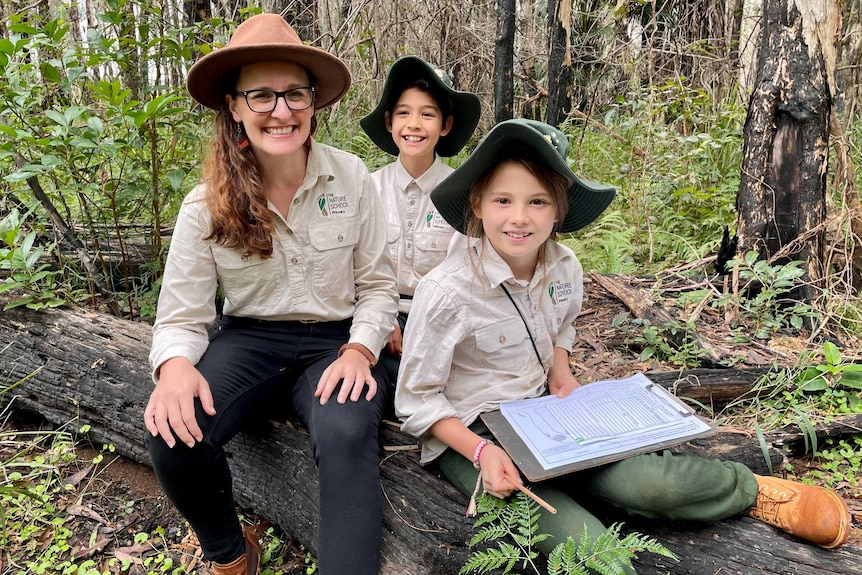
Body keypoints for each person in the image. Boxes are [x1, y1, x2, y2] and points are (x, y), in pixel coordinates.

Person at [395, 119, 851, 573]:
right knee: (592, 553)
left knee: (653, 486)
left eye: (537, 201)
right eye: (502, 201)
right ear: (477, 203)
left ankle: (751, 491)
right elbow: (416, 400)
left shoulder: (563, 267)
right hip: (475, 432)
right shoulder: (448, 291)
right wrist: (481, 452)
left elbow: (562, 327)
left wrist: (560, 370)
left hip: (546, 420)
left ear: (559, 209)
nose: (519, 217)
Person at [143, 13, 398, 575]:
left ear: (313, 102)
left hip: (337, 339)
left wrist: (360, 350)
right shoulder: (205, 203)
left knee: (346, 431)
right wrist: (175, 367)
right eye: (261, 95)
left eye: (294, 94)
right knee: (172, 434)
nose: (281, 111)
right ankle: (232, 556)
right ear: (233, 106)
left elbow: (378, 287)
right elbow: (181, 315)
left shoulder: (353, 178)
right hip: (251, 339)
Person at [359, 56, 480, 380]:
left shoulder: (461, 193)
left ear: (445, 125)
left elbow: (464, 278)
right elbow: (353, 267)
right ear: (389, 122)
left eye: (427, 114)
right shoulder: (368, 188)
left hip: (440, 320)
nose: (414, 124)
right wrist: (381, 323)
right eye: (404, 113)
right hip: (375, 314)